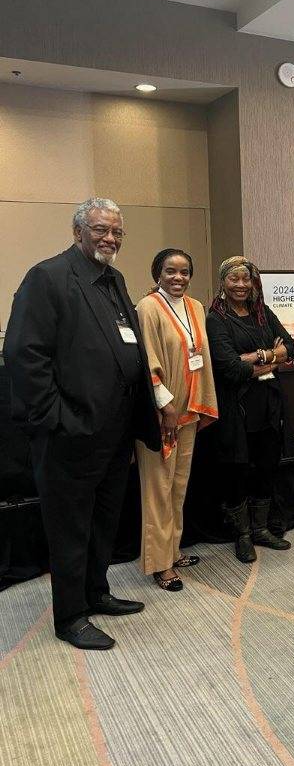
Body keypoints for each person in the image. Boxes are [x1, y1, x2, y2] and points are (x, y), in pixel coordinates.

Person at [3, 198, 160, 650]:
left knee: (103, 522)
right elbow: (24, 355)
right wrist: (57, 419)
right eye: (100, 230)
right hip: (69, 434)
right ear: (77, 232)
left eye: (116, 232)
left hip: (113, 432)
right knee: (70, 528)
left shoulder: (113, 278)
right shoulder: (47, 277)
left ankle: (96, 592)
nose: (110, 238)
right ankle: (70, 617)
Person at [135, 249, 218, 591]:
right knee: (158, 487)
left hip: (189, 410)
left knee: (178, 485)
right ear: (157, 273)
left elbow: (201, 355)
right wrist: (164, 404)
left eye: (185, 272)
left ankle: (173, 549)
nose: (178, 278)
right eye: (170, 271)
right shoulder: (148, 307)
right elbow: (145, 359)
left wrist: (196, 404)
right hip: (162, 414)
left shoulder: (196, 307)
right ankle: (159, 564)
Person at [206, 256, 294, 561]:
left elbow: (292, 348)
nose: (241, 285)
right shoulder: (216, 319)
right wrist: (271, 356)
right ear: (223, 282)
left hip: (269, 406)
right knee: (237, 471)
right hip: (236, 408)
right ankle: (242, 535)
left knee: (266, 467)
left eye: (246, 279)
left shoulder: (262, 313)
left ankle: (261, 529)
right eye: (234, 279)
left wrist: (254, 357)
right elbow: (229, 368)